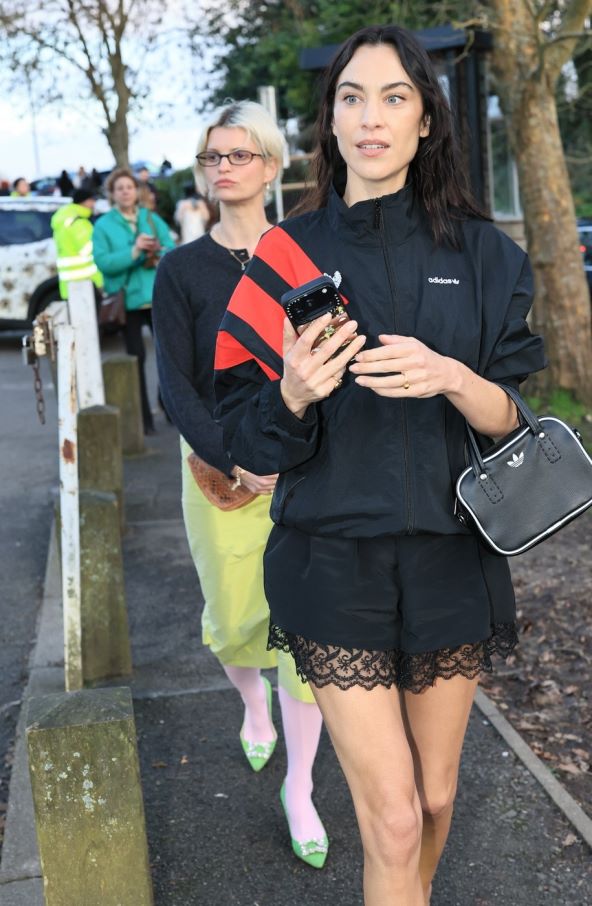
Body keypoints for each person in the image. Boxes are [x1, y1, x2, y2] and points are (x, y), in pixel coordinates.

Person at [213, 26, 547, 905]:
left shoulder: (486, 257)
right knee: (393, 817)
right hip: (331, 561)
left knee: (435, 799)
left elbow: (513, 425)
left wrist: (454, 378)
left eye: (394, 96)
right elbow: (242, 445)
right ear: (329, 121)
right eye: (351, 98)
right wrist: (289, 393)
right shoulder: (282, 258)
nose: (371, 117)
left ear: (427, 120)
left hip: (452, 559)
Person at [152, 100, 329, 870]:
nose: (223, 168)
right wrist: (232, 459)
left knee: (305, 638)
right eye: (211, 157)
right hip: (218, 472)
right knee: (232, 623)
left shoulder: (307, 254)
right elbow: (176, 389)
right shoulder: (180, 269)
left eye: (238, 155)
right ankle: (251, 708)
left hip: (307, 473)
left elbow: (332, 357)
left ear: (271, 163)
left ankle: (300, 784)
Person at [93, 167, 175, 434]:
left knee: (168, 357)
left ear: (136, 191)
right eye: (120, 188)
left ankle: (169, 407)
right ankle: (144, 419)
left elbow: (172, 250)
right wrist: (135, 250)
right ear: (112, 194)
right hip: (127, 303)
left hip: (155, 297)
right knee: (136, 359)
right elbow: (104, 262)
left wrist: (157, 250)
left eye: (129, 187)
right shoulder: (103, 225)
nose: (126, 192)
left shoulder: (151, 219)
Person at [50, 188, 103, 299]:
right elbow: (90, 249)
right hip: (85, 280)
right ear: (85, 201)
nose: (94, 204)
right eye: (92, 200)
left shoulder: (64, 218)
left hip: (71, 281)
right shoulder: (77, 221)